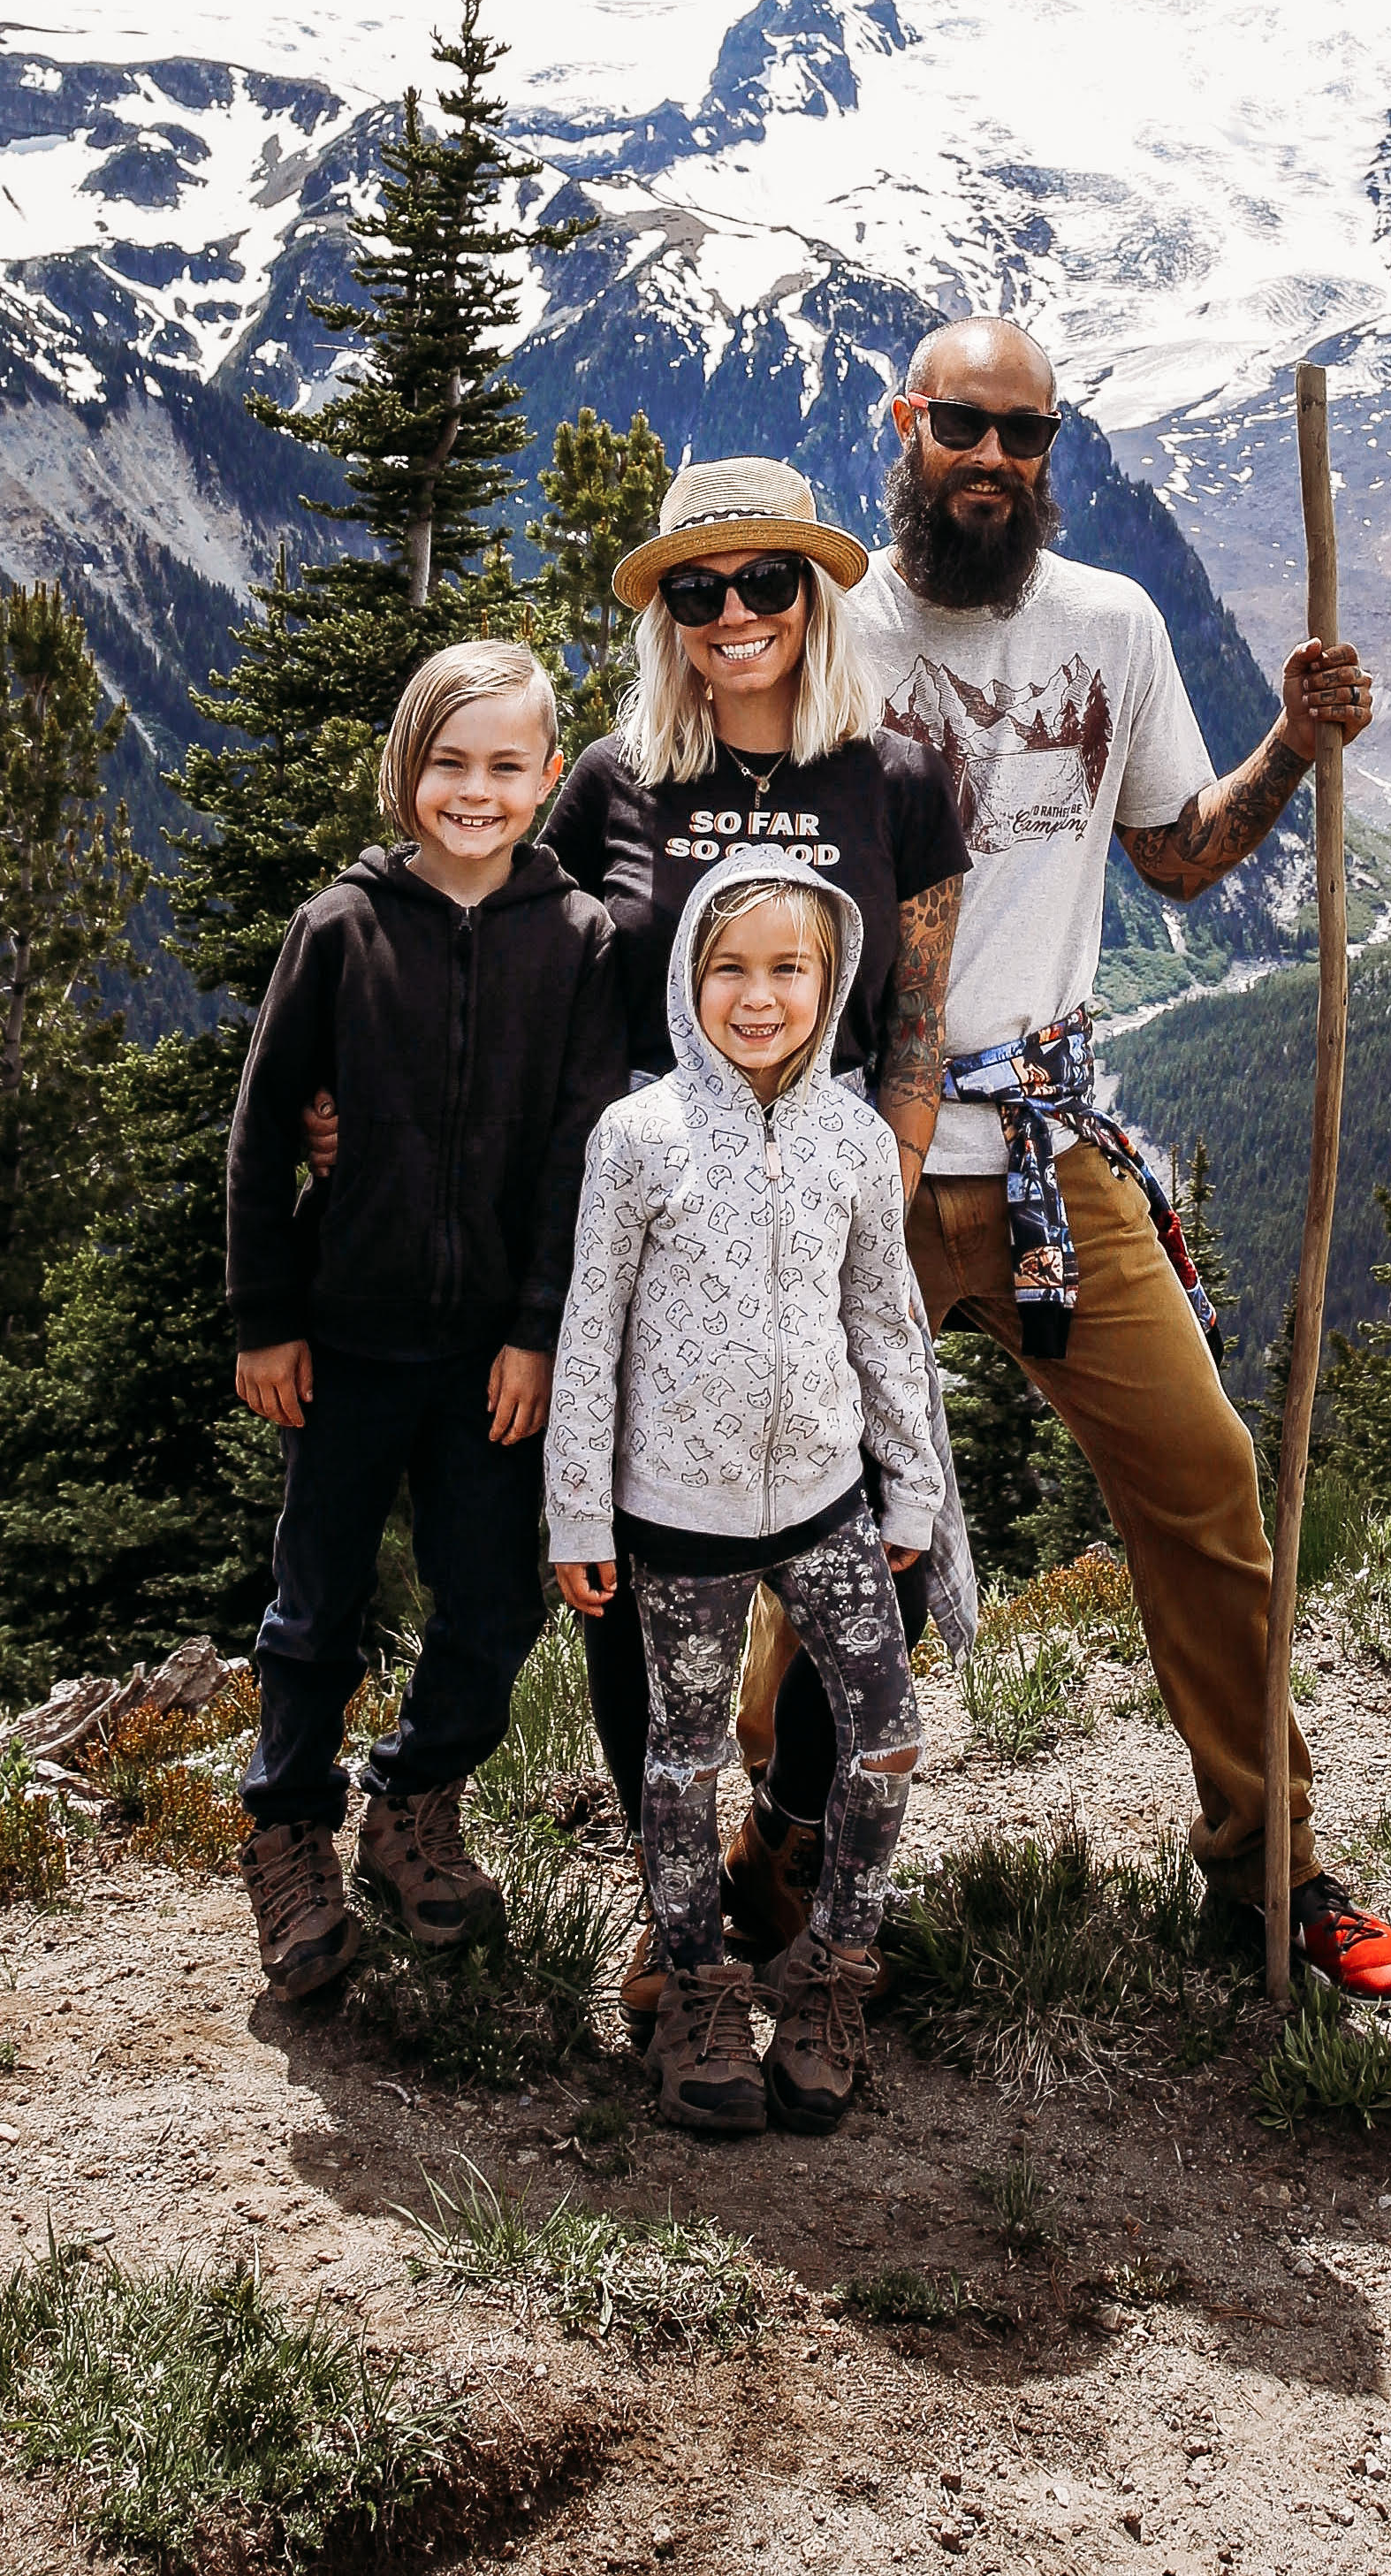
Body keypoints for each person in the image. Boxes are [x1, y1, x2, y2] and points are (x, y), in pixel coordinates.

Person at [302, 453, 970, 2012]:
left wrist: (876, 1193)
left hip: (826, 1212)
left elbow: (922, 1018)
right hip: (650, 1215)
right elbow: (484, 940)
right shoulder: (610, 781)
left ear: (817, 594)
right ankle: (675, 1913)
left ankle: (792, 1849)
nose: (735, 616)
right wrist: (351, 1087)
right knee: (645, 1571)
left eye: (766, 584)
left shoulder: (900, 777)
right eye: (698, 588)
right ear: (666, 613)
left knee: (856, 1541)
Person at [834, 313, 1391, 1999]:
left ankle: (1273, 1868)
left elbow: (1178, 854)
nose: (997, 463)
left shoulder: (1113, 623)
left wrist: (1296, 748)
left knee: (1208, 1486)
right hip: (849, 1160)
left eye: (1028, 439)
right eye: (968, 427)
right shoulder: (826, 634)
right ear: (908, 424)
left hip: (1043, 1154)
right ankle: (786, 1858)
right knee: (805, 1520)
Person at [223, 639, 623, 2006]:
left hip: (490, 1361)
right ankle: (288, 1829)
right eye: (449, 762)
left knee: (496, 1596)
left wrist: (538, 1331)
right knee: (313, 1601)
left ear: (547, 778)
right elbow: (263, 1126)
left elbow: (580, 1149)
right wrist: (266, 1314)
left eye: (506, 765)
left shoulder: (578, 943)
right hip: (341, 1335)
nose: (476, 789)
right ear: (406, 774)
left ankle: (413, 1797)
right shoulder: (337, 930)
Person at [546, 851, 936, 2138]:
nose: (757, 996)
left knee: (884, 1730)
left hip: (828, 1504)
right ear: (688, 978)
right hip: (677, 1522)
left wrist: (910, 1491)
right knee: (682, 1758)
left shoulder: (855, 1139)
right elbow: (588, 1333)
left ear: (829, 986)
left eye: (788, 970)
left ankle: (829, 1971)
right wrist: (579, 1515)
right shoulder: (638, 1137)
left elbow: (885, 1322)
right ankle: (698, 1986)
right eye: (730, 968)